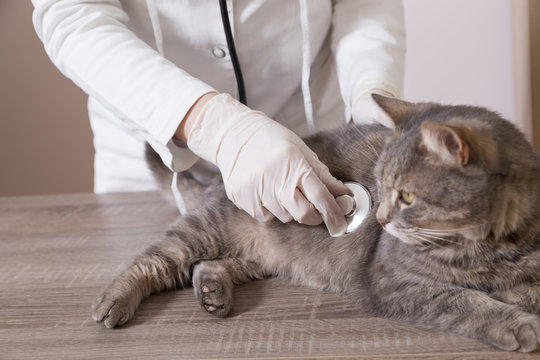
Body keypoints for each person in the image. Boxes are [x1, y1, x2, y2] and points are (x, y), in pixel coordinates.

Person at [31, 0, 405, 236]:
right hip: (151, 148)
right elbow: (73, 16)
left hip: (317, 156)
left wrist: (371, 84)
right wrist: (219, 128)